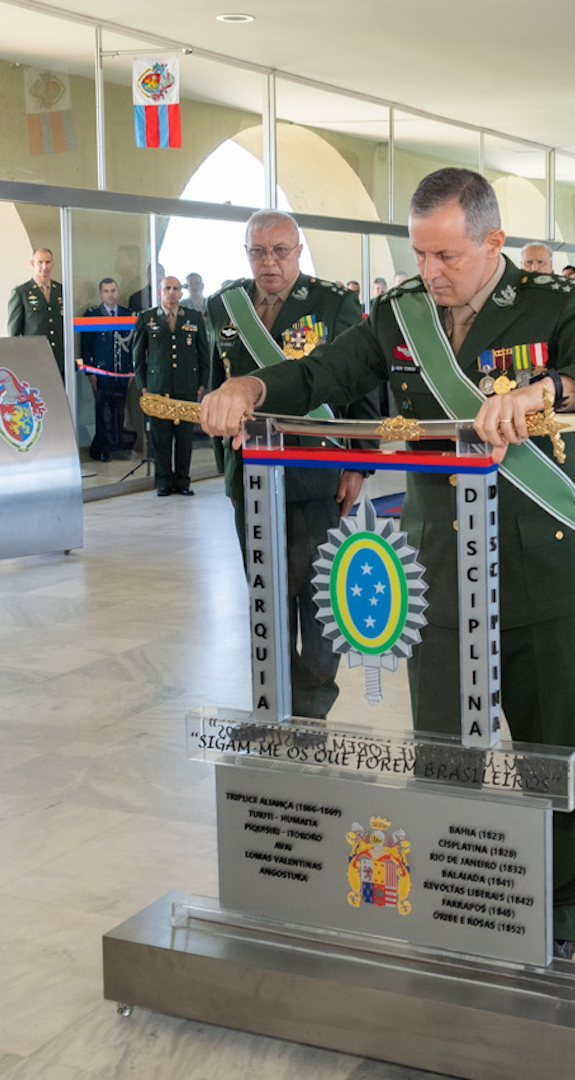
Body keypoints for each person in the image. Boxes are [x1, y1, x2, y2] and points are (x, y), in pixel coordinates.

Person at [200, 167, 575, 959]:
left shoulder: (554, 302)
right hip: (438, 569)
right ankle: (453, 903)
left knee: (548, 757)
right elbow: (323, 372)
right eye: (421, 255)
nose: (432, 273)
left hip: (534, 567)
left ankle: (559, 915)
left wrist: (547, 390)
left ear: (493, 242)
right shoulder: (401, 313)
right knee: (442, 756)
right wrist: (251, 383)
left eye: (448, 256)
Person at [207, 209, 377, 720]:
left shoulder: (333, 303)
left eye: (280, 251)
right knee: (266, 593)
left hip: (315, 468)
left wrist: (359, 463)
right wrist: (227, 468)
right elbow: (217, 384)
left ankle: (311, 709)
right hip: (252, 474)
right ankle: (272, 701)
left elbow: (362, 386)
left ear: (298, 252)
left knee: (317, 596)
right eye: (258, 252)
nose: (269, 263)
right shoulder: (224, 307)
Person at [131, 276, 209, 496]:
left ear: (181, 294)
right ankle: (164, 481)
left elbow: (203, 354)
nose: (172, 292)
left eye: (176, 289)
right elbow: (138, 357)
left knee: (184, 439)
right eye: (167, 288)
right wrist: (143, 386)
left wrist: (202, 384)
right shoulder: (147, 318)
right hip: (158, 387)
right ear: (159, 293)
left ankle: (183, 481)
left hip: (187, 387)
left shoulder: (193, 317)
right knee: (161, 437)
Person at [79, 277, 135, 461]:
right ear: (100, 293)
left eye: (113, 291)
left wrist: (132, 371)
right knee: (103, 410)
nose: (110, 295)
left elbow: (133, 345)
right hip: (102, 373)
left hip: (123, 372)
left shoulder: (128, 314)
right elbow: (86, 346)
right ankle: (102, 448)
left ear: (117, 292)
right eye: (106, 291)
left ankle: (117, 447)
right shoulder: (92, 314)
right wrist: (90, 373)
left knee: (119, 410)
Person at [8, 247, 66, 376]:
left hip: (59, 359)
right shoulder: (21, 292)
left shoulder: (61, 290)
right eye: (40, 262)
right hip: (34, 358)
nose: (44, 266)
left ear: (53, 264)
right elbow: (14, 332)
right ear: (32, 264)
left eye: (47, 262)